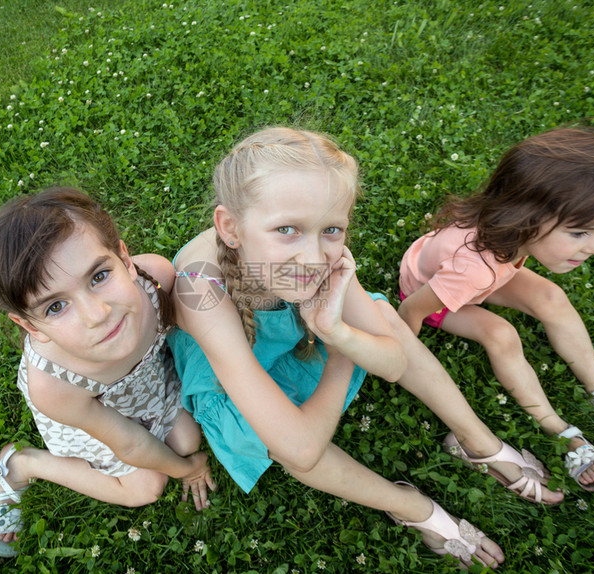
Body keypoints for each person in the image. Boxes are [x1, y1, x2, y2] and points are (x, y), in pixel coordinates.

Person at [169, 127, 557, 569]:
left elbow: (394, 360)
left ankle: (476, 439)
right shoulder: (200, 288)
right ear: (230, 228)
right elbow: (300, 449)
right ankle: (409, 505)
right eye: (287, 230)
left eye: (331, 229)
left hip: (303, 339)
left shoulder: (317, 256)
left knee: (385, 320)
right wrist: (338, 352)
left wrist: (340, 331)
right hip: (237, 367)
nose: (314, 258)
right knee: (267, 434)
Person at [398, 127, 594, 493]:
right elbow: (412, 307)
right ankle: (560, 430)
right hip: (434, 291)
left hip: (484, 273)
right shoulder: (473, 268)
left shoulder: (509, 236)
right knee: (502, 335)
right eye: (581, 233)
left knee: (552, 299)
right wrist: (406, 350)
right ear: (526, 217)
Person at [0, 187, 215, 557]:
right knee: (146, 487)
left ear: (125, 259)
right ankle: (24, 463)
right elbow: (129, 443)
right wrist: (186, 471)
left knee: (187, 442)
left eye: (99, 276)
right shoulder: (53, 384)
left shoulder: (157, 278)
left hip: (153, 385)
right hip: (92, 420)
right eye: (55, 307)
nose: (97, 314)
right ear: (29, 326)